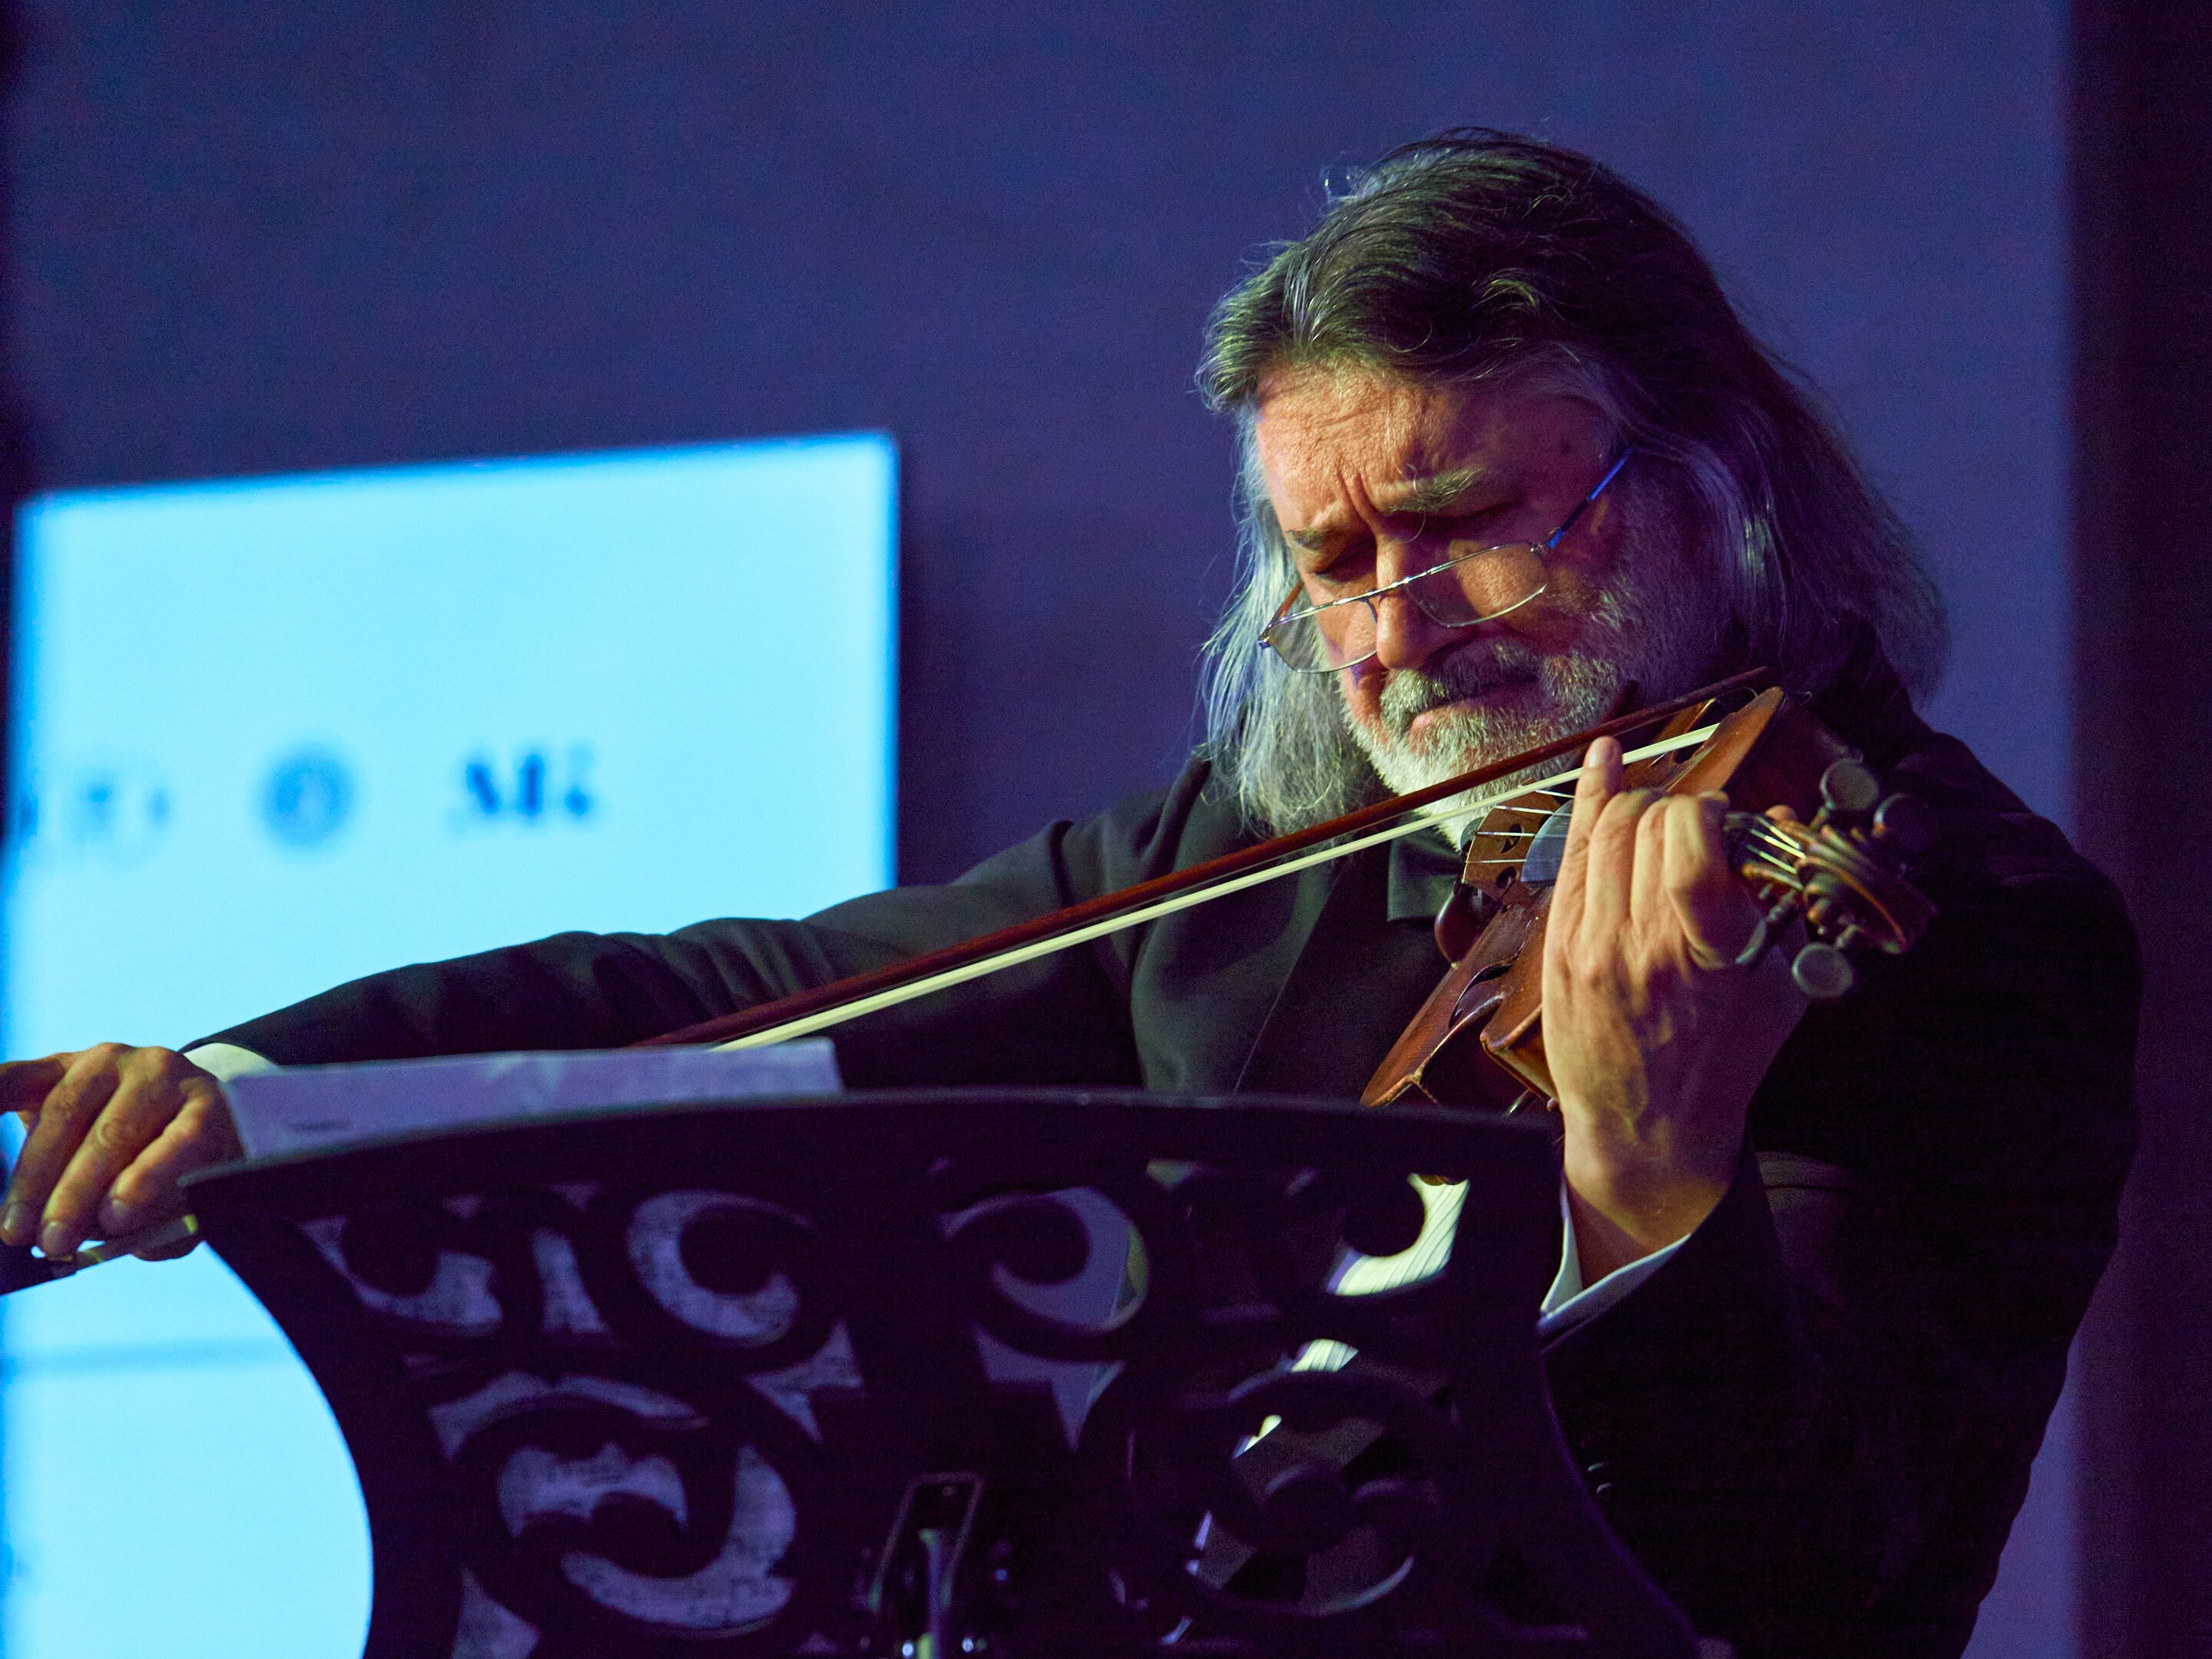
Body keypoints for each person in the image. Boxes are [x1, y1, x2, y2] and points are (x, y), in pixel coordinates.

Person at [0, 132, 2138, 1657]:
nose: (1397, 632)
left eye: (1471, 523)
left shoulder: (1963, 936)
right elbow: (754, 991)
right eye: (1332, 563)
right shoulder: (1257, 855)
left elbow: (1811, 1579)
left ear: (1706, 483)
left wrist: (1651, 1176)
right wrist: (243, 1094)